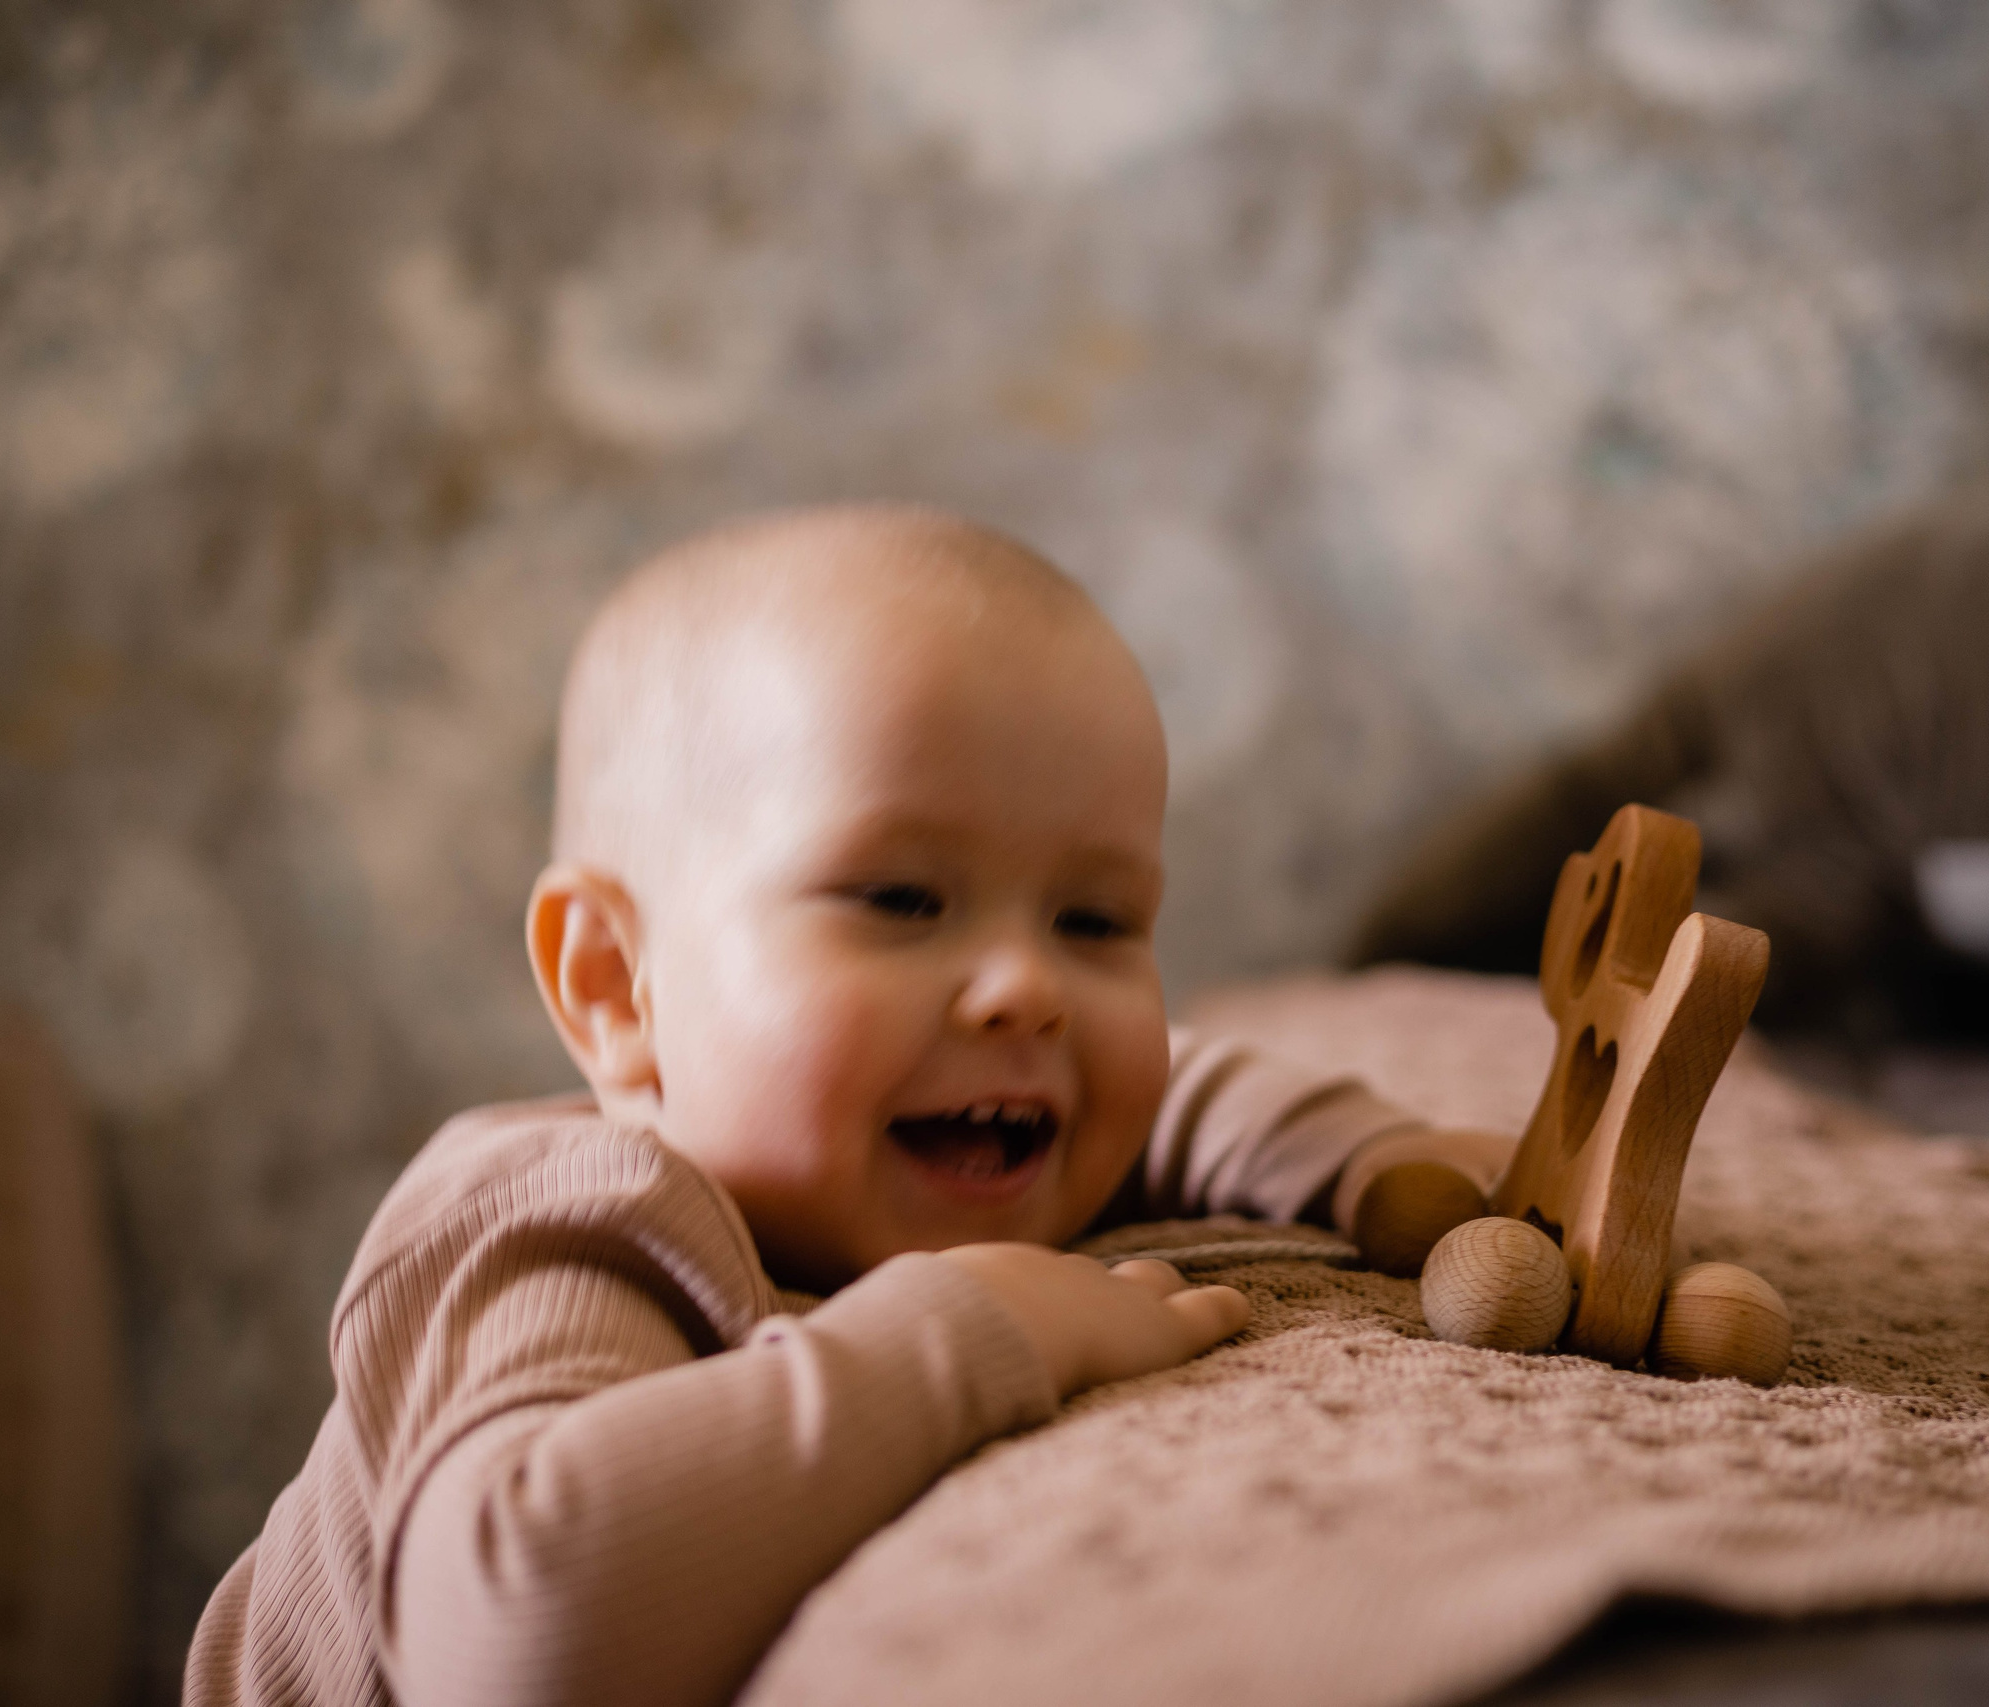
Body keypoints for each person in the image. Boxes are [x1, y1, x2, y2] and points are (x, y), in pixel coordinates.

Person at [186, 505, 1513, 1707]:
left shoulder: (963, 1126)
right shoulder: (560, 1219)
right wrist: (962, 1336)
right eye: (900, 901)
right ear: (614, 987)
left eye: (1094, 918)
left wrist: (1373, 1161)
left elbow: (1173, 1087)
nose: (1025, 989)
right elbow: (518, 1643)